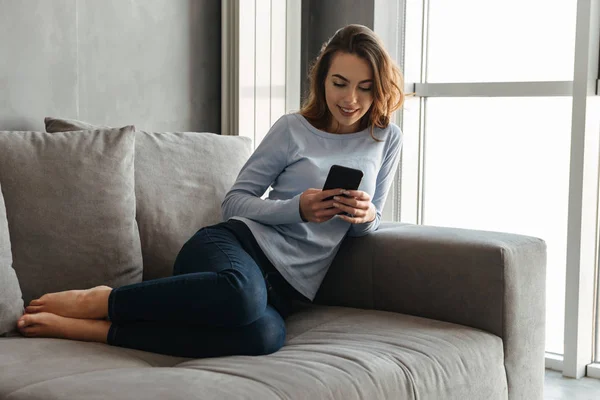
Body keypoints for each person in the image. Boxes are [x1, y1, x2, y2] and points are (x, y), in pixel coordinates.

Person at [16, 24, 405, 359]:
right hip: (231, 248)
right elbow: (234, 202)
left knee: (264, 337)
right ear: (322, 79)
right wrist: (297, 209)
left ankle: (100, 331)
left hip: (286, 290)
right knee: (241, 295)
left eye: (365, 88)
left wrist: (365, 216)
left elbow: (370, 223)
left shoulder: (386, 139)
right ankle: (101, 300)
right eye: (340, 83)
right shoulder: (292, 129)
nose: (350, 99)